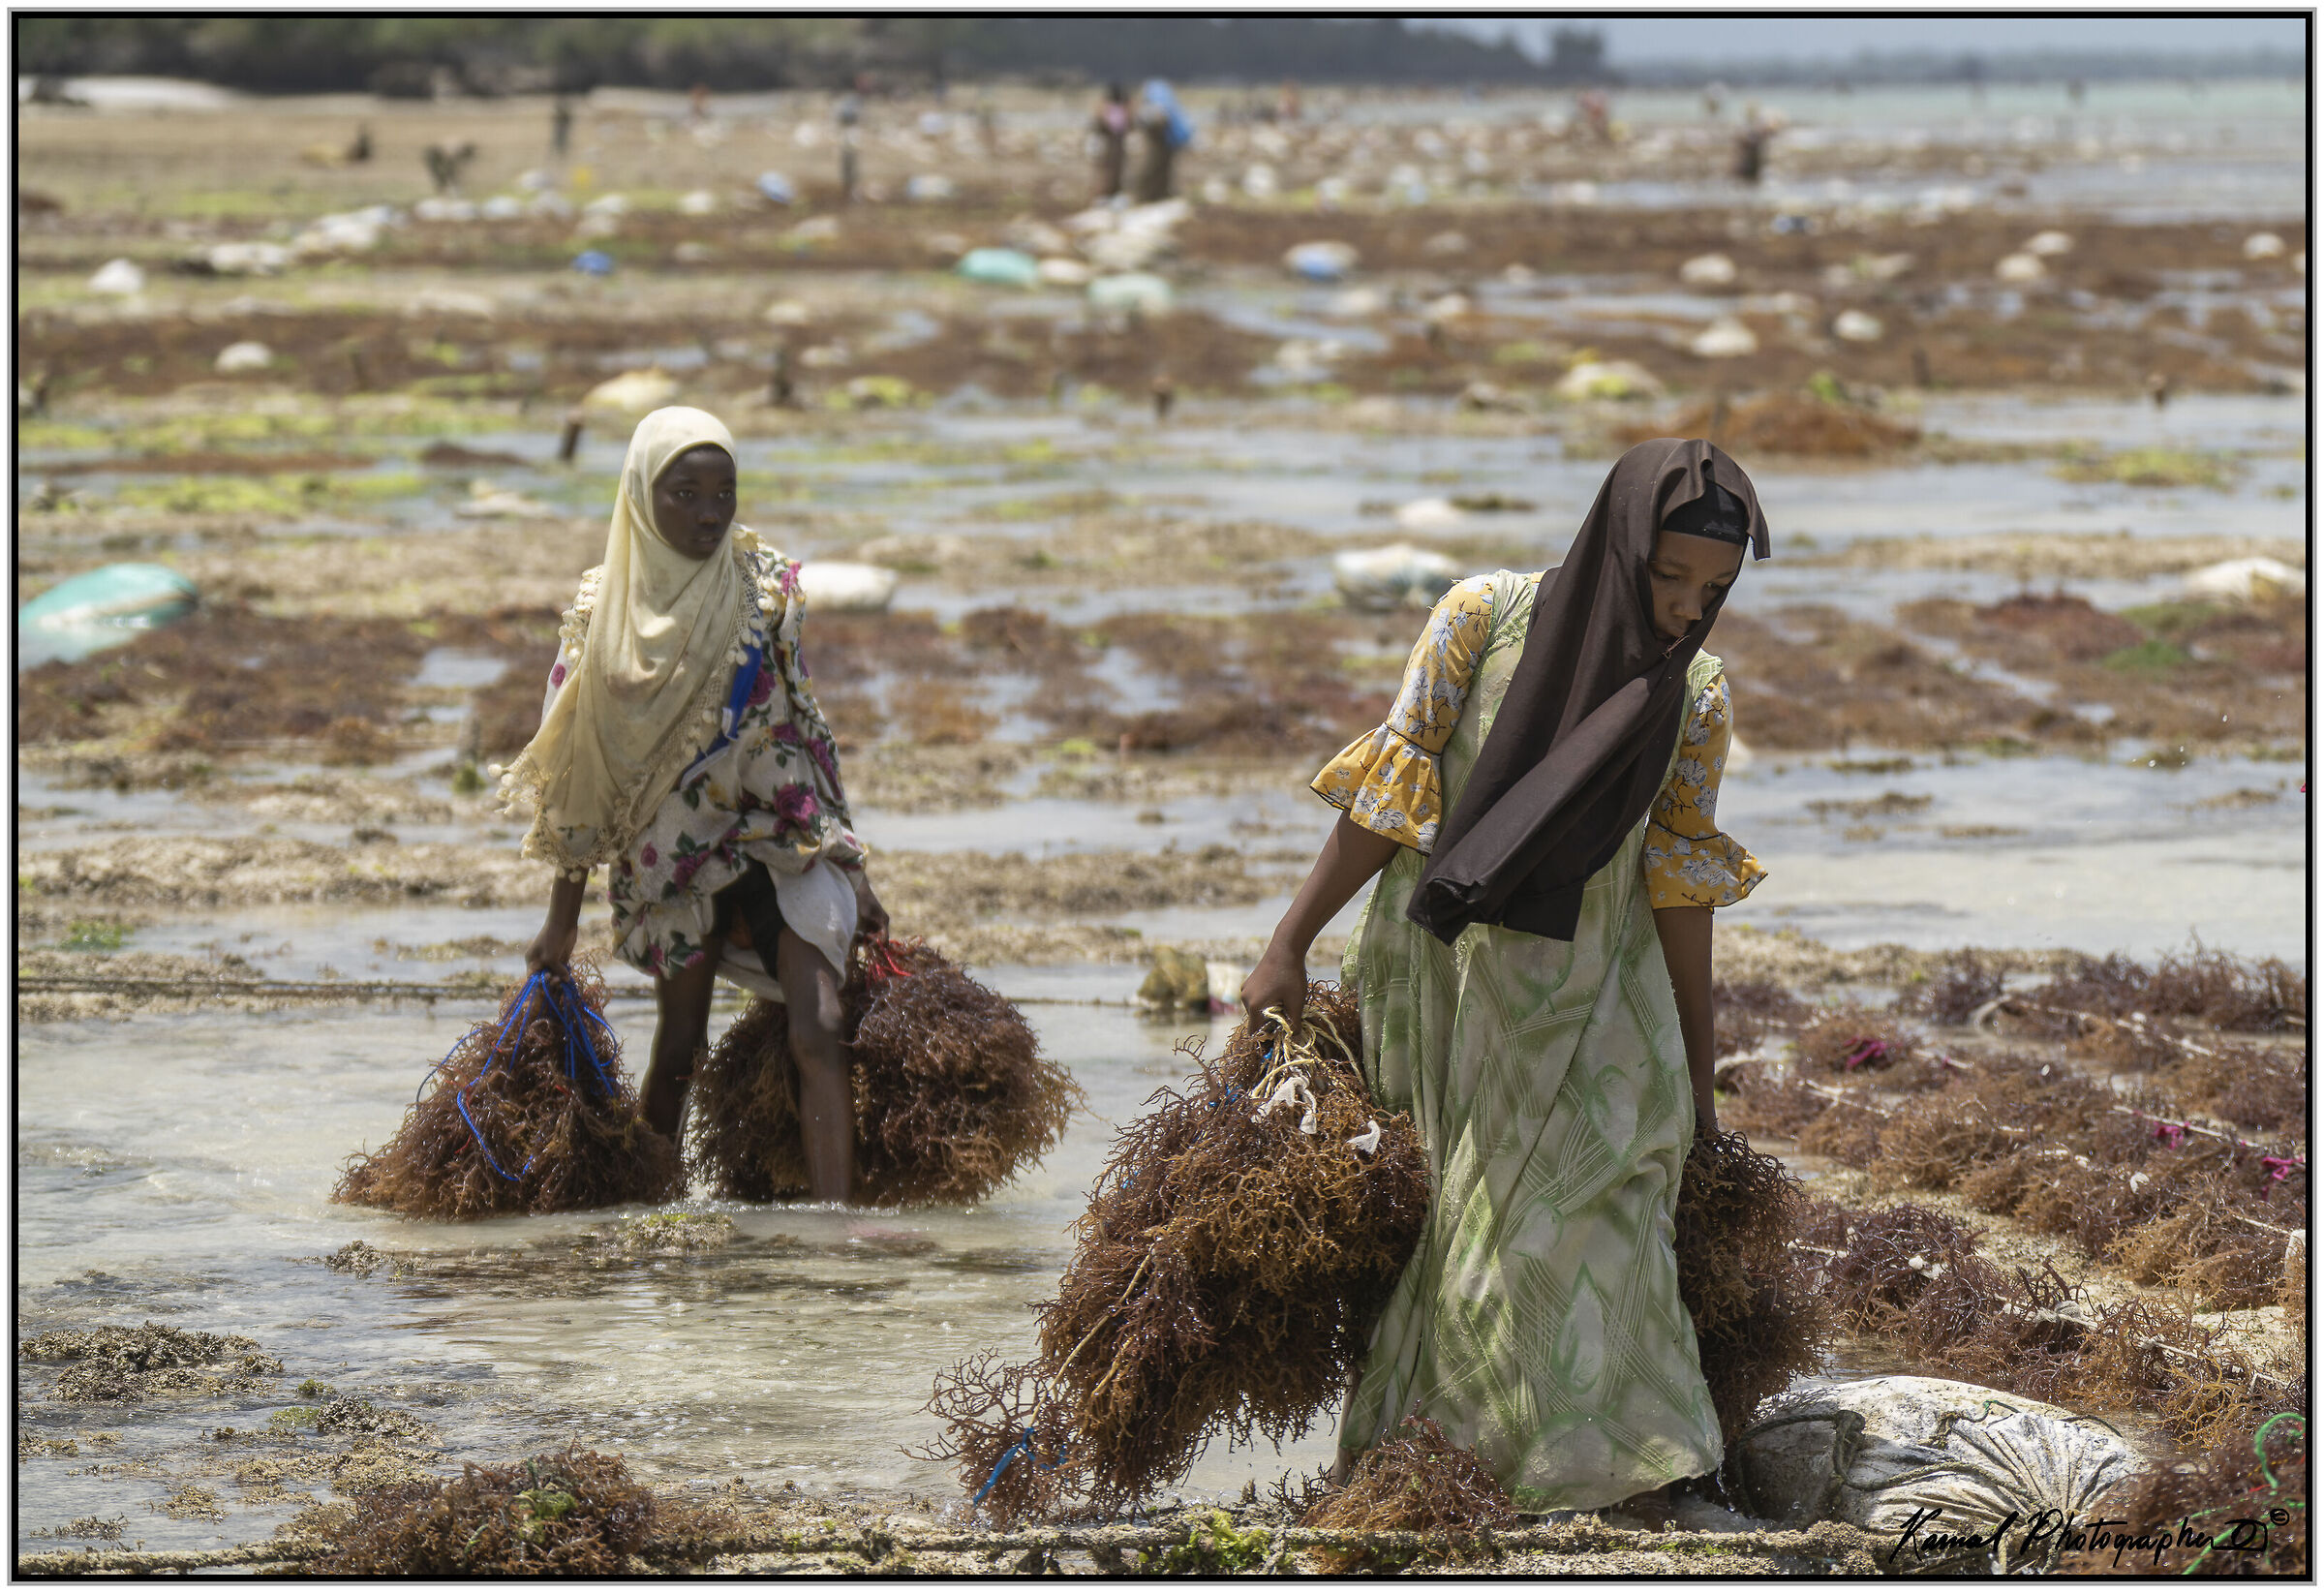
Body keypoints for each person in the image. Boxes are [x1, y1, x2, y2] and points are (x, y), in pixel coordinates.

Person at [1239, 438, 1771, 1516]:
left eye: (1711, 591)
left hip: (1600, 1002)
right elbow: (1389, 803)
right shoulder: (1481, 620)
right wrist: (1288, 943)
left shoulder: (1697, 697)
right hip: (1451, 989)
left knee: (1614, 1214)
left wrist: (1699, 1083)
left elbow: (1676, 891)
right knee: (1470, 1245)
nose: (1684, 610)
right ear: (1616, 543)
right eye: (1665, 578)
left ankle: (1632, 1476)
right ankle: (1450, 1475)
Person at [502, 408, 887, 1204]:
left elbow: (806, 728)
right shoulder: (602, 617)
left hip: (781, 834)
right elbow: (581, 774)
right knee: (679, 1047)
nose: (710, 513)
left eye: (724, 492)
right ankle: (652, 1210)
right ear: (644, 496)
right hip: (671, 858)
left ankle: (836, 1239)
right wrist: (561, 919)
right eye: (685, 493)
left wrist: (852, 861)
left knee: (819, 1020)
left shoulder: (764, 591)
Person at [1134, 78, 1193, 203]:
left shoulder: (1158, 102)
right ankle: (1159, 194)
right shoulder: (1167, 102)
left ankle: (1152, 196)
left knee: (1155, 169)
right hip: (1170, 143)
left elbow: (1157, 122)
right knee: (1162, 169)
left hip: (1163, 144)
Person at [1091, 81, 1131, 200]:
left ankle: (1111, 194)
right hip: (1110, 144)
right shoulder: (1110, 108)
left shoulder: (1113, 108)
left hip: (1115, 143)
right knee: (1108, 171)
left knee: (1114, 170)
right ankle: (1105, 194)